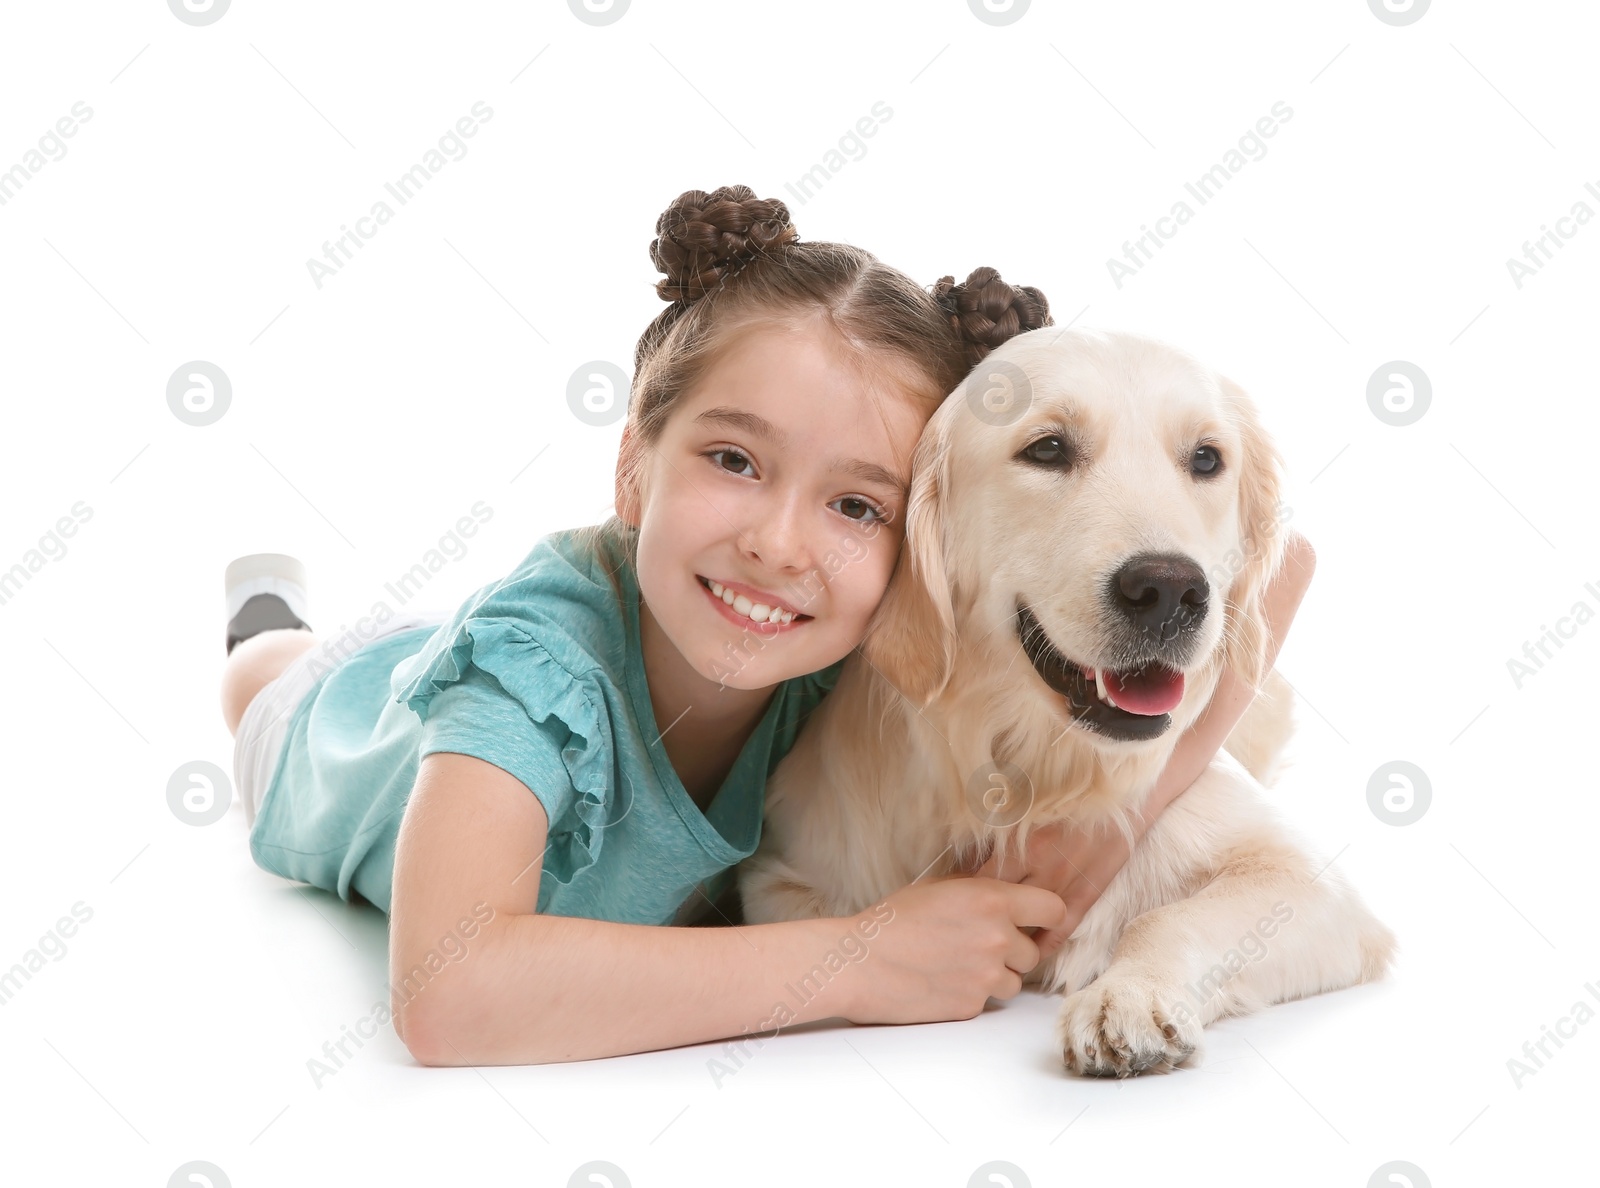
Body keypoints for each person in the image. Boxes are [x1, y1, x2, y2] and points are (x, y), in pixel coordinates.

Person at [218, 184, 1312, 1067]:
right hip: (337, 729)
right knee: (272, 681)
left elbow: (1280, 563)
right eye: (734, 460)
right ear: (633, 466)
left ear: (914, 540)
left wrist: (1110, 824)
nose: (784, 547)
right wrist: (858, 961)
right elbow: (448, 996)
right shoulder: (528, 679)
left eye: (854, 505)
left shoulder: (839, 637)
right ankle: (265, 622)